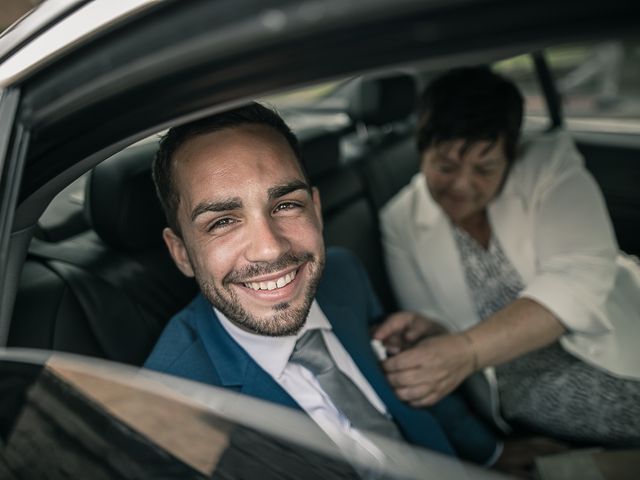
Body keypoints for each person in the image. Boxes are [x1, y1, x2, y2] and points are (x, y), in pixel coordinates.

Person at [143, 102, 502, 468]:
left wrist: (491, 455)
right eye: (222, 222)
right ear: (182, 253)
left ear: (315, 208)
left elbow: (410, 382)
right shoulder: (171, 411)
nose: (270, 248)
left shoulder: (343, 275)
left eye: (285, 205)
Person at [377, 66, 640, 446]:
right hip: (514, 383)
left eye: (485, 168)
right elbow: (438, 321)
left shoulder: (549, 166)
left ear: (511, 155)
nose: (463, 187)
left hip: (619, 333)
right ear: (422, 151)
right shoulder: (399, 220)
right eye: (445, 166)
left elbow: (579, 280)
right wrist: (432, 331)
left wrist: (467, 350)